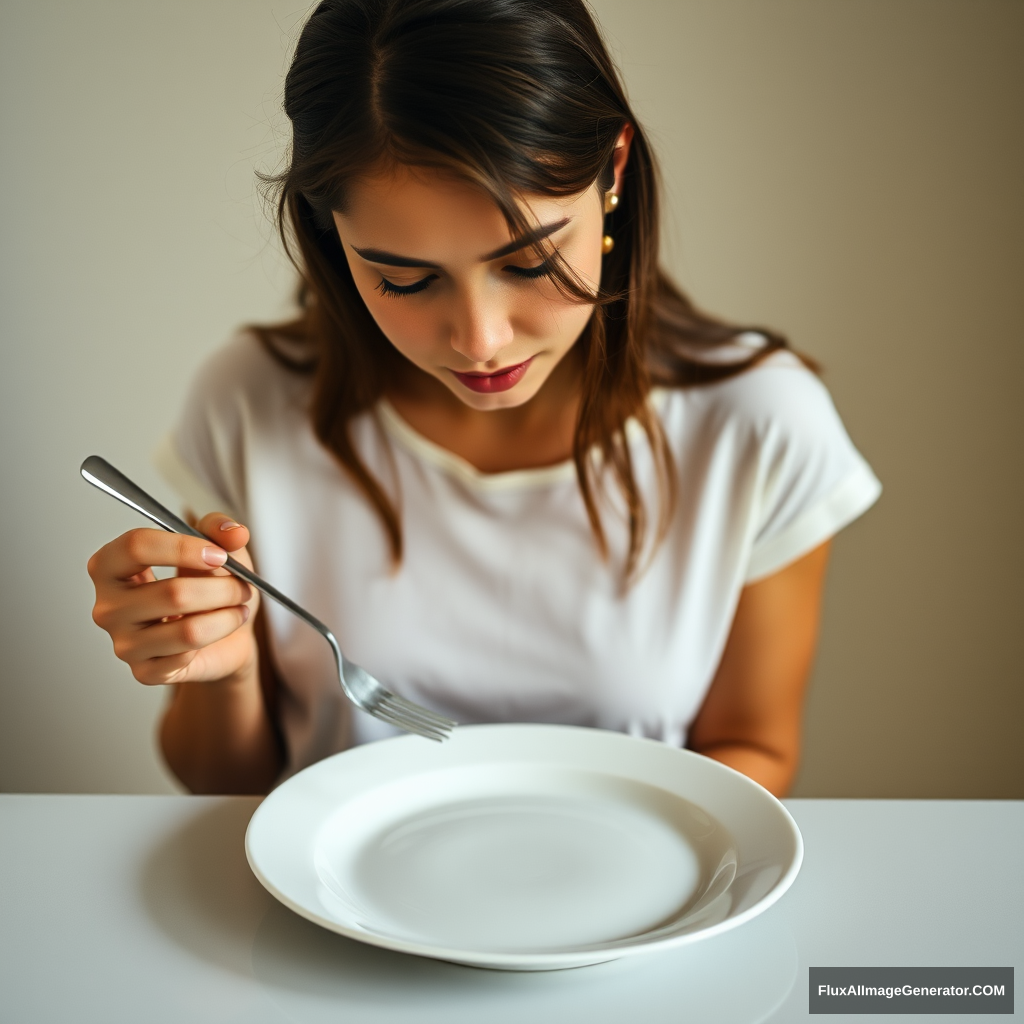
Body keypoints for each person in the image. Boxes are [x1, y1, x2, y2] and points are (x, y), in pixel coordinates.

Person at [87, 0, 880, 798]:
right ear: (332, 233)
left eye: (530, 264)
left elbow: (753, 749)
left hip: (630, 915)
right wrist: (219, 669)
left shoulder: (761, 424)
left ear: (613, 169)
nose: (480, 340)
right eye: (404, 278)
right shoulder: (248, 403)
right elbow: (221, 784)